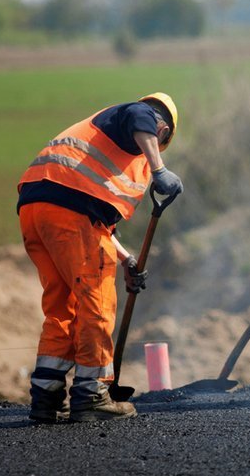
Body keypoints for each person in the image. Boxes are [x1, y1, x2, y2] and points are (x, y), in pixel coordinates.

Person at [17, 92, 183, 422]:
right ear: (162, 131)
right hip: (68, 212)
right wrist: (160, 168)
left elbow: (101, 227)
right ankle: (92, 394)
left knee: (61, 304)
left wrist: (125, 259)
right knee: (97, 300)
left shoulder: (107, 143)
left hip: (37, 210)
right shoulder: (138, 115)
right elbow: (141, 115)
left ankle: (46, 397)